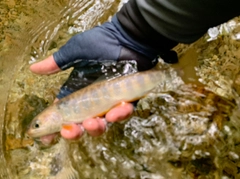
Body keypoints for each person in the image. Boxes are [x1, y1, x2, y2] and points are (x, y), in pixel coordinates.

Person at [30, 0, 240, 144]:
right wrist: (137, 34)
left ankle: (175, 74)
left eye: (37, 125)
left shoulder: (65, 116)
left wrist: (133, 32)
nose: (35, 130)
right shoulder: (63, 118)